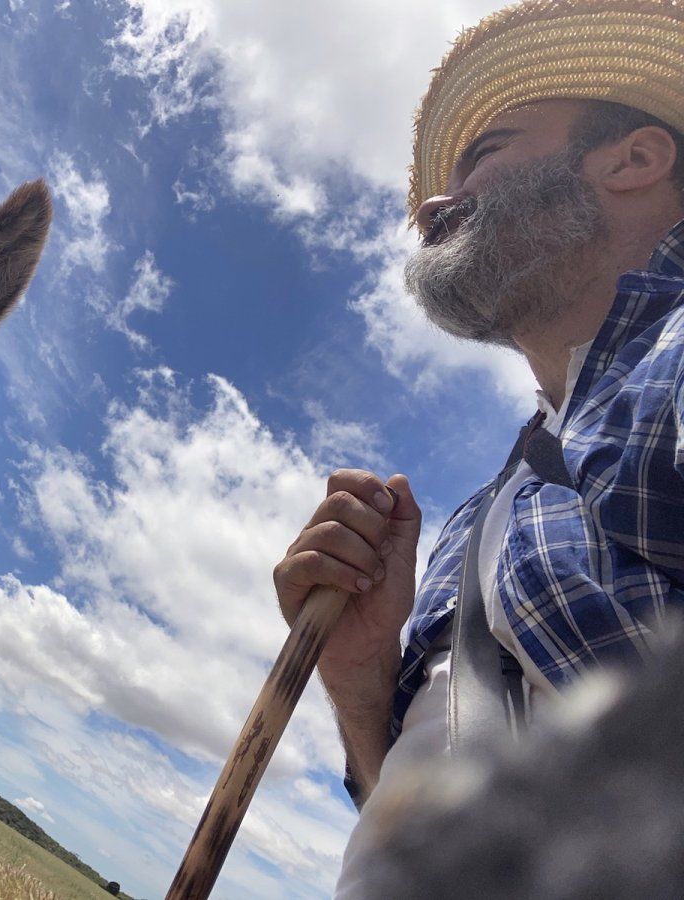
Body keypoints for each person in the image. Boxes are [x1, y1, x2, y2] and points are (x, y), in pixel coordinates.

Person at [270, 0, 684, 894]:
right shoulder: (477, 515)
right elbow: (418, 818)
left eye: (487, 152)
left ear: (635, 159)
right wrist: (360, 677)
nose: (430, 207)